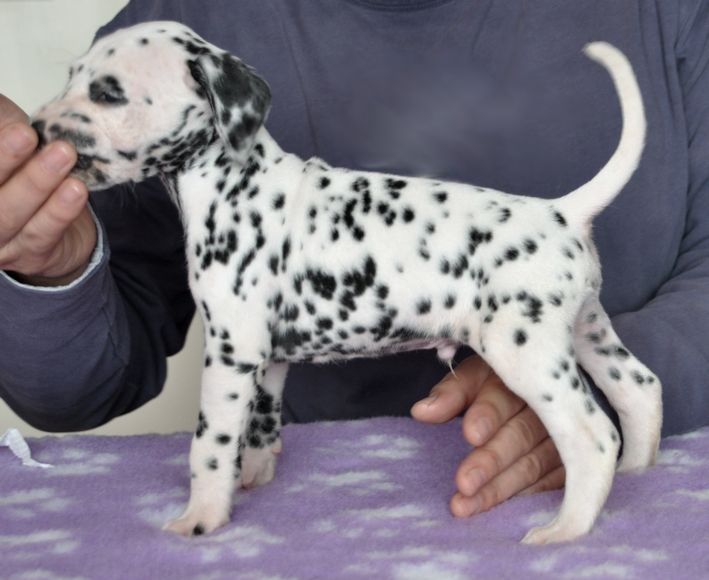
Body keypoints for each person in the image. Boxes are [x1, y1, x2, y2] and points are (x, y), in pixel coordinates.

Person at [1, 0, 708, 520]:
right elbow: (84, 387)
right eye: (79, 84)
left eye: (105, 95)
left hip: (502, 333)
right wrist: (45, 267)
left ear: (217, 107)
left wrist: (589, 375)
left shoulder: (668, 14)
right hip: (356, 501)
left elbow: (235, 354)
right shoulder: (176, 21)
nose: (53, 117)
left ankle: (206, 502)